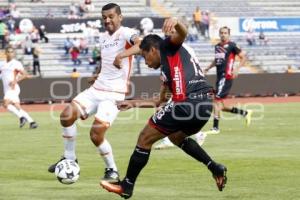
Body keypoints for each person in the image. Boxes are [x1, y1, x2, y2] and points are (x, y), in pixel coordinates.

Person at [100, 17, 227, 199]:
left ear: (153, 50)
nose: (145, 62)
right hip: (204, 106)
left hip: (188, 103)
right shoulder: (167, 70)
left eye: (145, 57)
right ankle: (214, 167)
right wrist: (134, 103)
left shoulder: (168, 47)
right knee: (176, 137)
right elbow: (160, 101)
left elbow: (183, 33)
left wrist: (176, 22)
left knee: (144, 138)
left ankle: (126, 185)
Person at [47, 3, 141, 184]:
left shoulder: (126, 33)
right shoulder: (104, 37)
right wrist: (97, 74)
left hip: (114, 94)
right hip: (97, 88)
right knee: (66, 116)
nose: (107, 20)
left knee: (95, 134)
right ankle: (69, 158)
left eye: (111, 16)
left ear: (120, 17)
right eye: (104, 17)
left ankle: (112, 170)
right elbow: (107, 62)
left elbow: (141, 44)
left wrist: (121, 56)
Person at [195, 26, 252, 140]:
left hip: (226, 76)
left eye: (225, 33)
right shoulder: (217, 46)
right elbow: (217, 60)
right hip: (219, 77)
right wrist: (207, 68)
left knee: (216, 101)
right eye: (221, 33)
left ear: (229, 34)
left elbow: (244, 58)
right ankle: (245, 113)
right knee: (220, 105)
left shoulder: (232, 46)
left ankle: (215, 128)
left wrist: (237, 69)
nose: (223, 34)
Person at [0, 46, 38, 129]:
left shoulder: (16, 63)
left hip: (13, 88)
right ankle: (32, 122)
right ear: (5, 53)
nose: (11, 53)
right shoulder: (1, 64)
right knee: (17, 107)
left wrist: (15, 81)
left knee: (5, 104)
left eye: (12, 52)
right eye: (9, 52)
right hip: (6, 89)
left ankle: (21, 117)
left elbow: (25, 74)